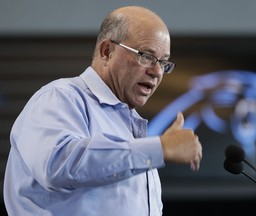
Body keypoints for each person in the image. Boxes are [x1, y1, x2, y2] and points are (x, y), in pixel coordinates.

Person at [4, 5, 202, 216]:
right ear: (107, 51)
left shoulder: (130, 126)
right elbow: (57, 165)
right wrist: (159, 148)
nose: (156, 72)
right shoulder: (61, 97)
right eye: (146, 56)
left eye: (163, 63)